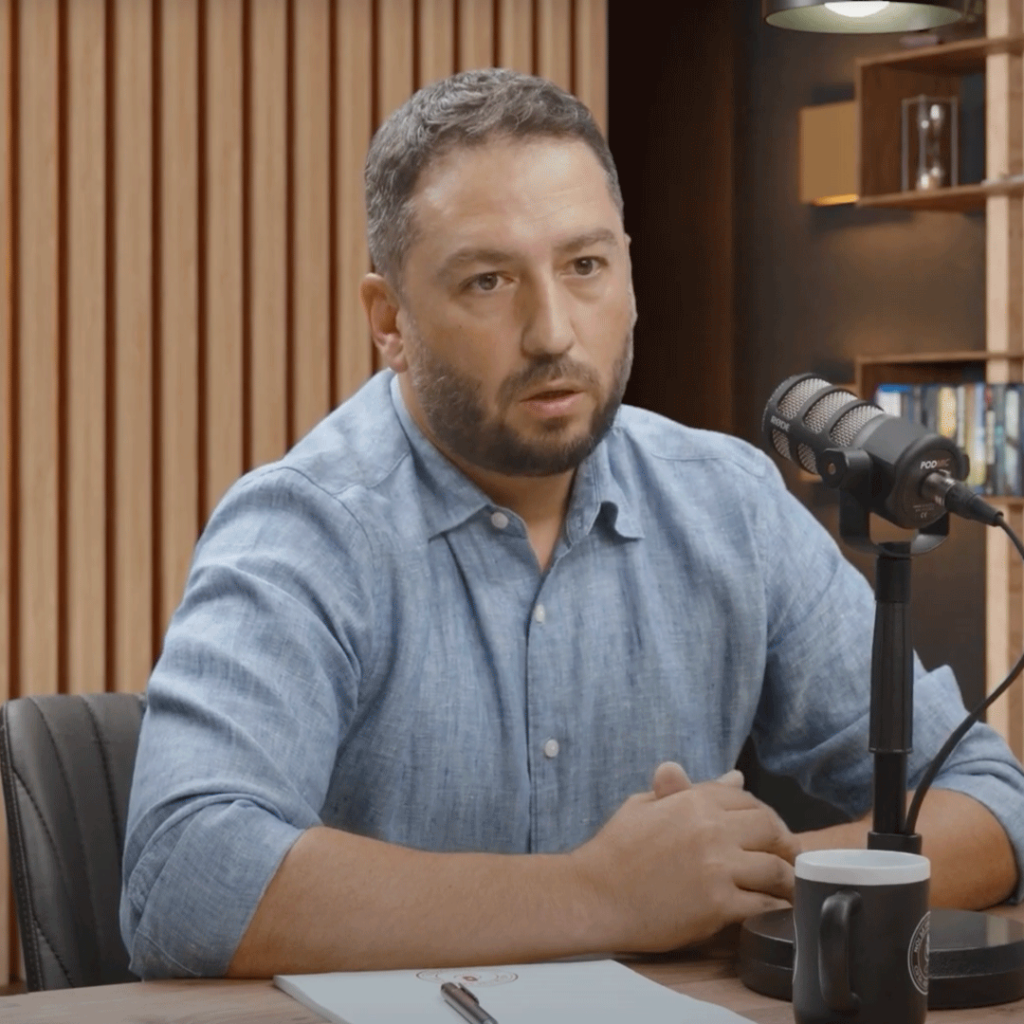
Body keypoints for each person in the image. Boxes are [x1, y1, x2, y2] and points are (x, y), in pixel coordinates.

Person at [121, 67, 1024, 980]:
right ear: (389, 321)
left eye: (584, 267)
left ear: (628, 272)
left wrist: (734, 878)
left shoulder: (730, 504)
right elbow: (183, 878)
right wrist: (602, 896)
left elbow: (988, 803)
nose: (552, 331)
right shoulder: (304, 529)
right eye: (488, 281)